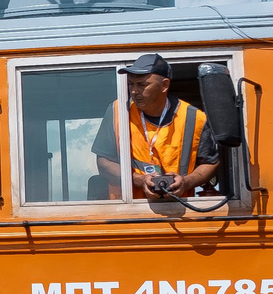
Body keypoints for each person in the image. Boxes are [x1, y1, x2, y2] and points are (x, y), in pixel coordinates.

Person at [93, 52, 220, 201]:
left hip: (179, 211)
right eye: (131, 84)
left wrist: (185, 182)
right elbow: (103, 163)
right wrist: (138, 179)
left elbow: (210, 163)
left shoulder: (195, 118)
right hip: (127, 212)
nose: (134, 91)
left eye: (142, 84)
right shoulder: (117, 111)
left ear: (164, 85)